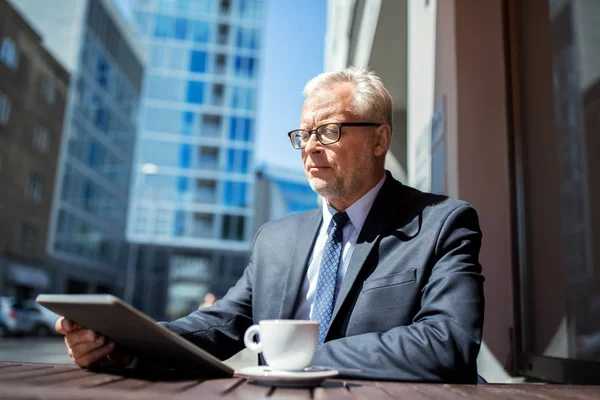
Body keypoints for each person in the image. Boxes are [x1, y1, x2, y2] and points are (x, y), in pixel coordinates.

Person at [56, 67, 485, 383]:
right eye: (303, 134)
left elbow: (447, 342)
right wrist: (123, 344)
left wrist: (301, 356)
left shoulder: (442, 223)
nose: (311, 148)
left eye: (330, 131)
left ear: (379, 139)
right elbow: (223, 325)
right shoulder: (276, 239)